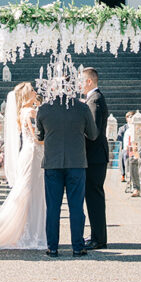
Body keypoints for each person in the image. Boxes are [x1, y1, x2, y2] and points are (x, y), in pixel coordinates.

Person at [0, 82, 47, 249]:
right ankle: (32, 233)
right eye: (32, 90)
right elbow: (37, 138)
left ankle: (27, 230)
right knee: (31, 192)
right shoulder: (31, 112)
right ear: (27, 95)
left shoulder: (22, 112)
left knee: (28, 192)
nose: (35, 92)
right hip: (33, 153)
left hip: (28, 153)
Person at [36, 80, 98, 257]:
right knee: (76, 207)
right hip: (76, 162)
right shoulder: (82, 108)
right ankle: (77, 246)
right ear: (72, 89)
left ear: (52, 89)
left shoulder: (44, 109)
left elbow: (39, 134)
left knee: (53, 207)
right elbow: (93, 134)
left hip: (52, 163)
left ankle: (53, 247)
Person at [81, 67, 109, 250]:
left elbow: (93, 132)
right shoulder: (93, 99)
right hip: (95, 156)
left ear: (89, 81)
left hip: (94, 157)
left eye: (80, 80)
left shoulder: (95, 100)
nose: (78, 84)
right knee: (92, 197)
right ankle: (97, 236)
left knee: (94, 198)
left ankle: (98, 238)